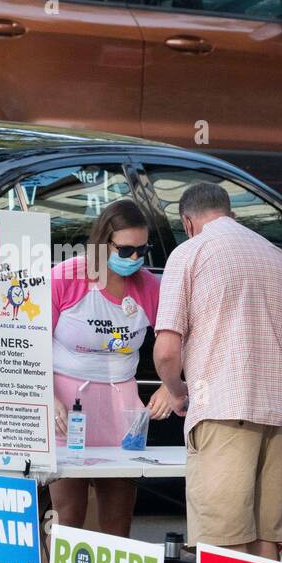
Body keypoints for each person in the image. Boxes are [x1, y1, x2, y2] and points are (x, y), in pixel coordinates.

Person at [153, 182, 282, 563]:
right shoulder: (278, 256)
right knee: (267, 536)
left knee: (220, 538)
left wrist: (175, 391)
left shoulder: (189, 253)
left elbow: (167, 350)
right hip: (280, 412)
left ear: (189, 220)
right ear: (230, 212)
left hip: (221, 408)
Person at [49, 199, 174, 538]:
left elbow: (183, 339)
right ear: (103, 243)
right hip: (67, 402)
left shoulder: (149, 286)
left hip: (122, 404)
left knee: (117, 521)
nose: (134, 258)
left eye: (142, 250)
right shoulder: (65, 277)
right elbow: (27, 344)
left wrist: (170, 386)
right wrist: (46, 396)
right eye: (126, 249)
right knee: (67, 515)